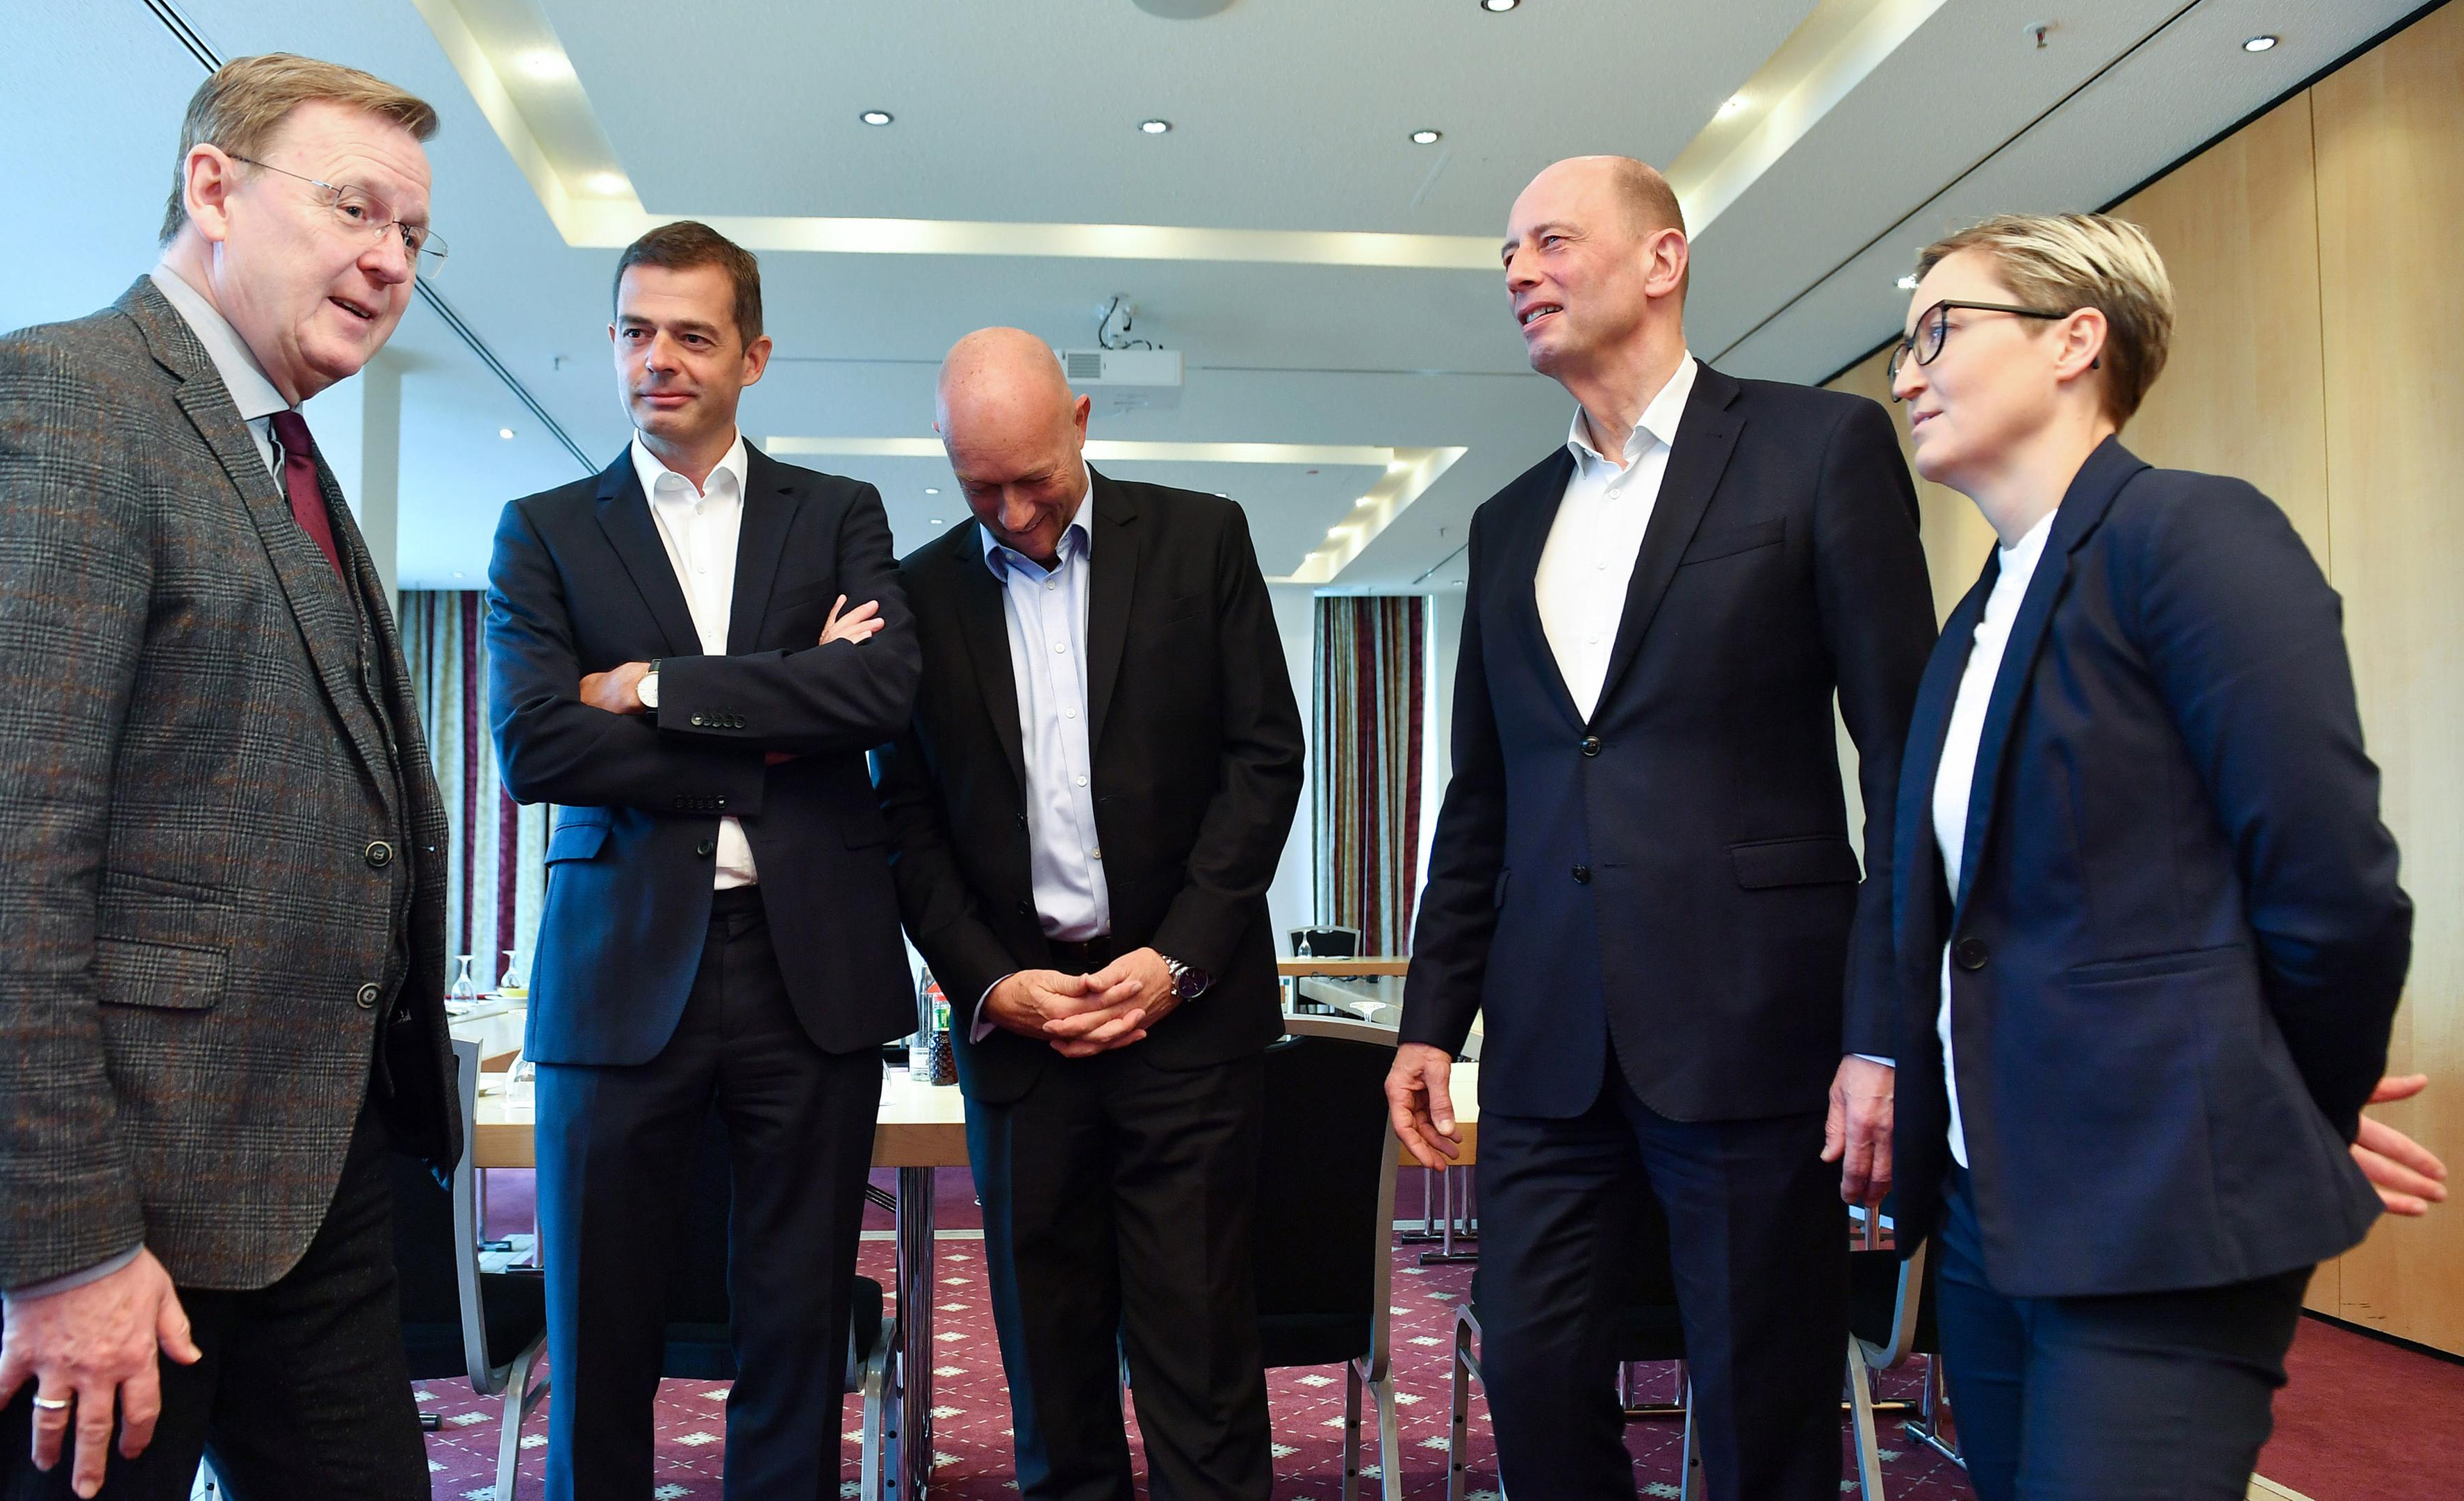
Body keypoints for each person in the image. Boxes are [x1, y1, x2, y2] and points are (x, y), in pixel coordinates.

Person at [0, 54, 459, 1501]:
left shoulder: (277, 448)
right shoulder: (57, 401)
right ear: (213, 187)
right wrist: (67, 1249)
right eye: (355, 208)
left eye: (415, 234)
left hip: (302, 1170)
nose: (390, 259)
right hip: (105, 1202)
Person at [1388, 157, 1937, 1500]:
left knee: (1761, 1406)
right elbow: (1484, 795)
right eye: (1507, 255)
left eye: (1550, 241)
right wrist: (1428, 1017)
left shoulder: (1819, 447)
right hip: (1547, 1042)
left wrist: (1881, 1029)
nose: (1518, 273)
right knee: (1529, 1373)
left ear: (1662, 259)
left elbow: (1906, 759)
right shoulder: (1507, 520)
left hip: (1755, 1028)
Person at [1883, 212, 2417, 1498]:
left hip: (2162, 1208)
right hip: (1994, 1213)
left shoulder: (2190, 535)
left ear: (2076, 340)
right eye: (1903, 347)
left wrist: (2287, 1104)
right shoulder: (1975, 623)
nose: (1905, 376)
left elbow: (2331, 883)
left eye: (1937, 331)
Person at [483, 220, 919, 1501]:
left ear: (753, 356)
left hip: (809, 973)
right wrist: (781, 712)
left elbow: (879, 693)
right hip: (617, 971)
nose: (656, 358)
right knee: (599, 1330)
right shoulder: (543, 531)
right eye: (634, 331)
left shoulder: (836, 514)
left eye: (690, 334)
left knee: (795, 1323)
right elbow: (536, 746)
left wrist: (650, 688)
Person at [873, 328, 1303, 1501]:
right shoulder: (917, 596)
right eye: (981, 489)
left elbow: (1264, 761)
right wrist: (986, 982)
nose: (1013, 515)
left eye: (1034, 481)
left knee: (1203, 1377)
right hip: (1027, 1043)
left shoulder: (1202, 540)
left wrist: (1180, 959)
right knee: (1053, 1389)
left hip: (1188, 1031)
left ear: (1082, 421)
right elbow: (904, 819)